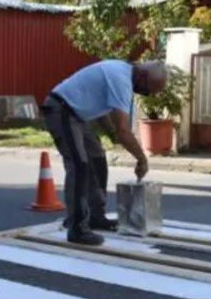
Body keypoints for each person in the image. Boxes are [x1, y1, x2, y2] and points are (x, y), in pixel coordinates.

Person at [43, 60, 168, 246]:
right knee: (79, 165)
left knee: (97, 158)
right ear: (142, 77)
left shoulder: (122, 74)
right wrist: (142, 159)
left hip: (77, 115)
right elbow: (123, 130)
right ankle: (77, 229)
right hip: (61, 110)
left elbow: (100, 107)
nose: (147, 94)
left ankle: (95, 216)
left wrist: (110, 132)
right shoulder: (121, 79)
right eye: (149, 89)